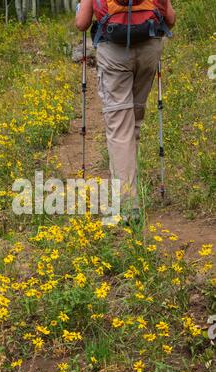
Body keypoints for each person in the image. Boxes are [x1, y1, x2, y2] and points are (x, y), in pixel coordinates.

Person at [76, 0, 176, 223]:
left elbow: (82, 23)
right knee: (134, 119)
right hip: (149, 49)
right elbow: (170, 19)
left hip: (114, 51)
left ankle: (128, 204)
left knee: (120, 126)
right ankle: (126, 180)